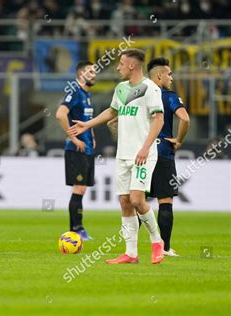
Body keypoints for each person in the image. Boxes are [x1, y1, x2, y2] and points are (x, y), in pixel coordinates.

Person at [69, 48, 165, 264]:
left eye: (121, 63)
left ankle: (157, 241)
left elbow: (158, 120)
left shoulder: (150, 88)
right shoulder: (121, 88)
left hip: (143, 154)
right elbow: (112, 112)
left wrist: (145, 148)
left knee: (137, 199)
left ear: (132, 65)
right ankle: (131, 253)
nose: (118, 67)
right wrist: (87, 124)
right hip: (124, 154)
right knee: (124, 201)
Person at [147, 57, 190, 257]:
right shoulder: (168, 95)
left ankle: (131, 248)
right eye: (169, 74)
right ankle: (164, 248)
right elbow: (185, 118)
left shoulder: (140, 95)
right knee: (165, 201)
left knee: (139, 200)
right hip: (163, 152)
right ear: (159, 75)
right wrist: (178, 140)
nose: (172, 78)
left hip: (143, 154)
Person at [55, 61, 96, 240]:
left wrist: (92, 136)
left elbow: (87, 120)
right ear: (81, 74)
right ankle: (76, 229)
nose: (94, 74)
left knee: (82, 189)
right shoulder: (74, 92)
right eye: (90, 71)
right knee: (78, 189)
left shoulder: (87, 95)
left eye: (95, 71)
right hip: (76, 149)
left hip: (86, 148)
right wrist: (73, 138)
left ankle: (78, 229)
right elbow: (60, 114)